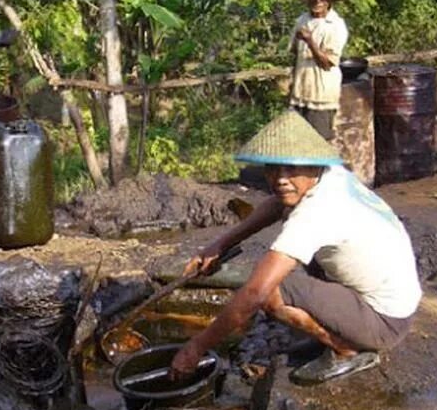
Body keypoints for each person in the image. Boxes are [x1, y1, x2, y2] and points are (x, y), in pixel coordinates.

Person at [170, 110, 422, 385]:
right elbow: (277, 204)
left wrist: (196, 347)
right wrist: (220, 244)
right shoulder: (330, 175)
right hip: (391, 300)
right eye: (273, 168)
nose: (280, 178)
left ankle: (345, 349)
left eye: (291, 168)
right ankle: (340, 329)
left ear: (313, 165)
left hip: (385, 322)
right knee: (285, 265)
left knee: (270, 292)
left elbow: (256, 292)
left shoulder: (316, 211)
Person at [288, 0, 349, 141]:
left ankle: (323, 170)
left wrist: (310, 41)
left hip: (321, 93)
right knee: (298, 141)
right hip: (300, 91)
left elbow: (327, 63)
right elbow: (294, 53)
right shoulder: (302, 20)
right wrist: (291, 84)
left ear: (330, 0)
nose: (317, 0)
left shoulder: (335, 25)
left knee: (319, 143)